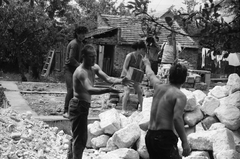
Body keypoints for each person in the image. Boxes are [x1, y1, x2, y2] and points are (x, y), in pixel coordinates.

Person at [67, 44, 133, 159]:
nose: (94, 59)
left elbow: (108, 78)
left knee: (77, 137)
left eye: (95, 56)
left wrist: (121, 81)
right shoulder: (81, 72)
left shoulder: (94, 67)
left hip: (83, 106)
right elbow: (89, 89)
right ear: (84, 56)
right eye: (91, 57)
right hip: (78, 106)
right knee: (80, 140)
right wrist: (108, 89)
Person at [141, 54, 191, 159]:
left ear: (169, 75)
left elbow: (150, 74)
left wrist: (147, 63)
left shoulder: (158, 86)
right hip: (163, 138)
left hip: (150, 136)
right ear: (184, 79)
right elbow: (177, 118)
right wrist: (185, 142)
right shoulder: (179, 96)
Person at [63, 26, 88, 118]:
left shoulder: (81, 44)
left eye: (84, 34)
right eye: (81, 34)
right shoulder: (74, 44)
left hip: (76, 70)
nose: (83, 36)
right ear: (77, 34)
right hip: (69, 69)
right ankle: (66, 111)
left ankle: (73, 110)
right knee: (70, 89)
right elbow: (71, 59)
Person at [120, 40, 146, 115]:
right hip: (127, 76)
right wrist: (128, 75)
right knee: (127, 91)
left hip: (135, 76)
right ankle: (123, 109)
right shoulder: (129, 56)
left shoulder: (140, 57)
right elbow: (124, 67)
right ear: (139, 49)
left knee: (139, 91)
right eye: (142, 49)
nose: (143, 51)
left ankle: (142, 108)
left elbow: (139, 68)